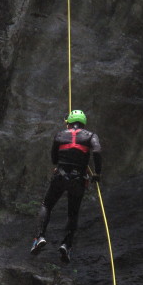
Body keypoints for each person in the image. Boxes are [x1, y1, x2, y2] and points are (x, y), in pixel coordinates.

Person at [30, 109, 102, 262]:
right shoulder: (90, 136)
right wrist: (97, 173)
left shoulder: (60, 135)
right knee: (73, 213)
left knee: (47, 205)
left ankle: (40, 237)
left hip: (60, 176)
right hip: (78, 179)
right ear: (83, 123)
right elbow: (97, 151)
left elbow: (54, 159)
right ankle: (66, 245)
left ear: (69, 122)